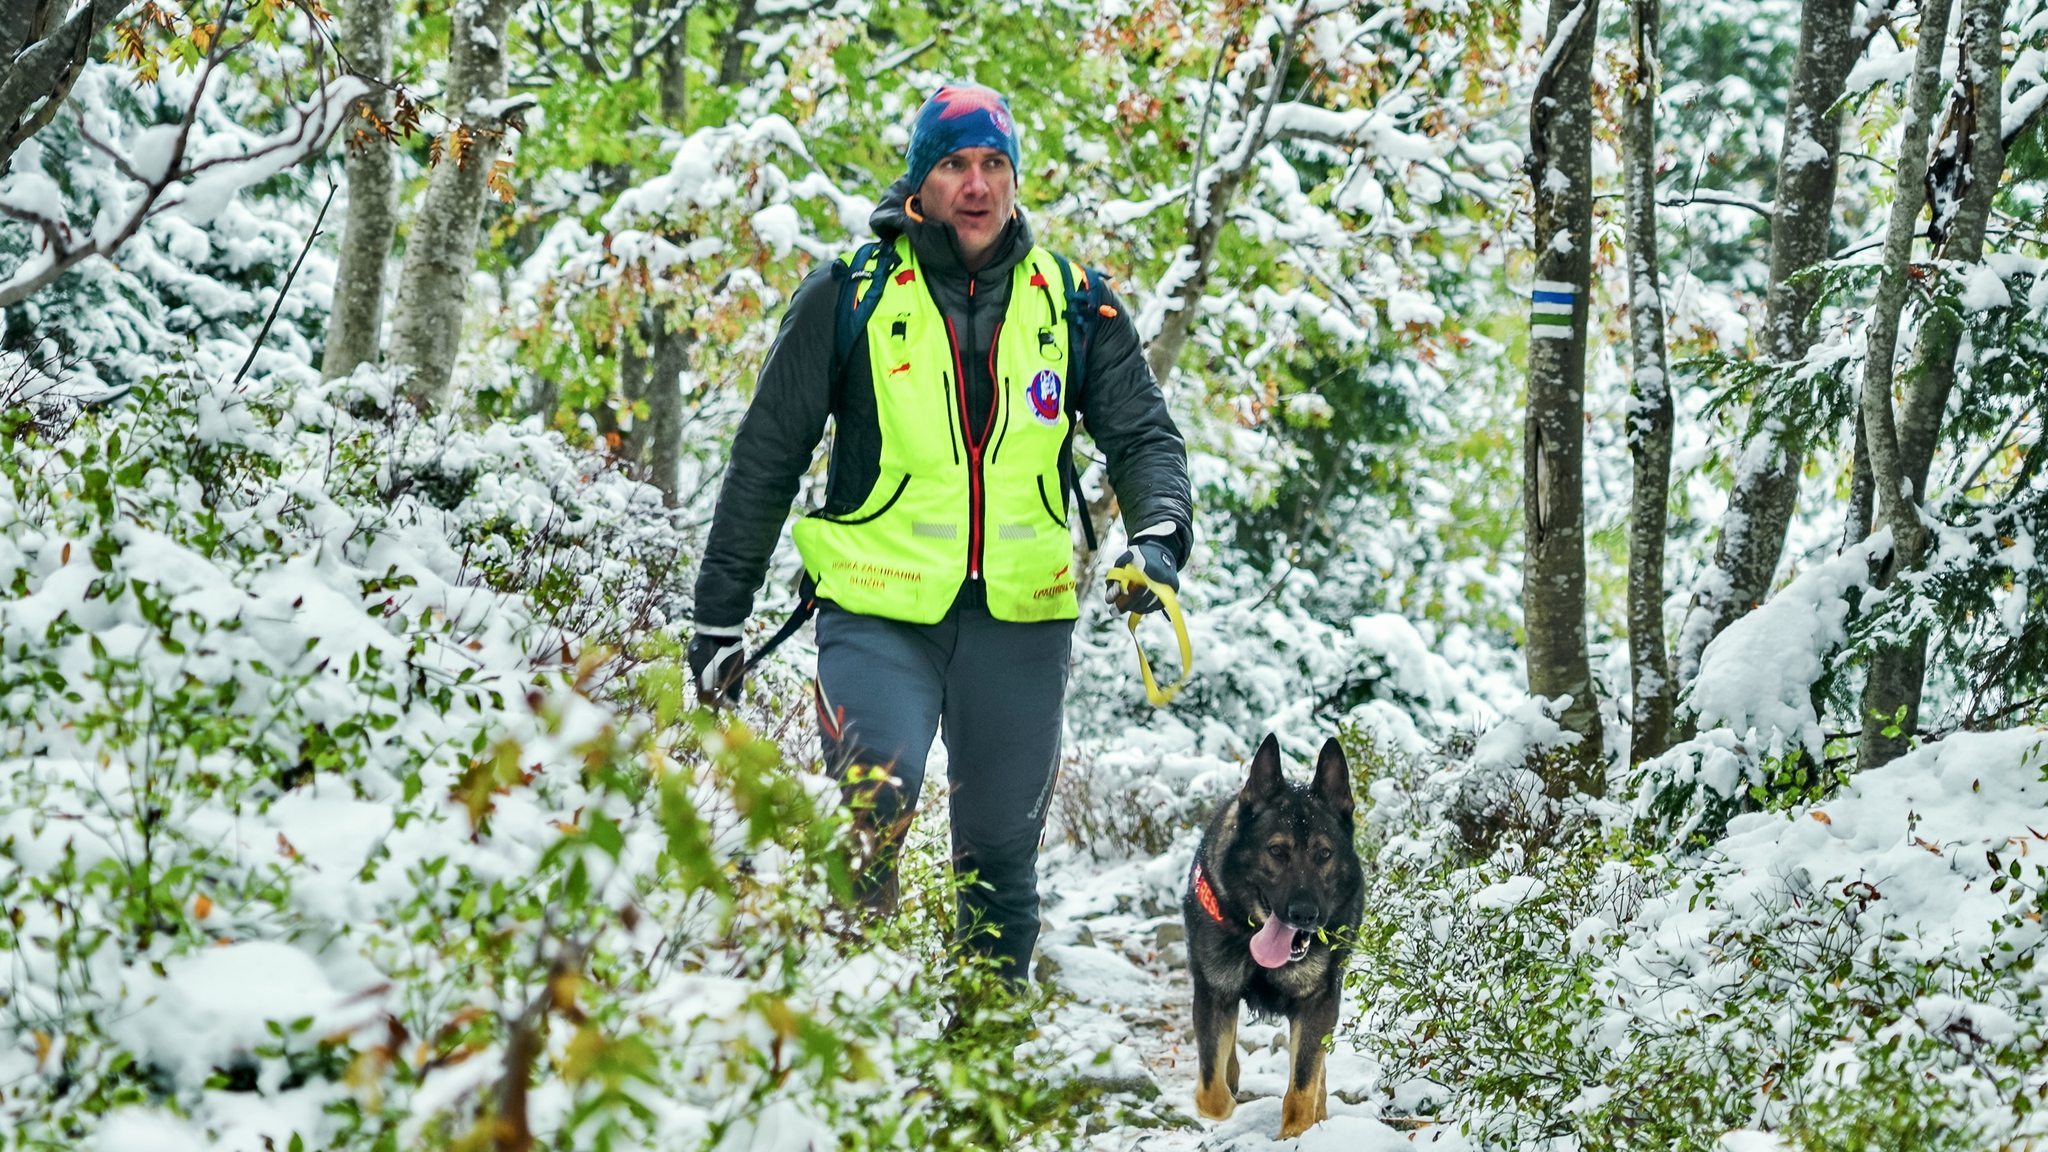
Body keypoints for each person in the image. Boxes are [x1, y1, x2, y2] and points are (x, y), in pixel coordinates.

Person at [686, 82, 1193, 984]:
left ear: (1013, 179)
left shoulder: (1074, 302)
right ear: (920, 181)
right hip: (878, 612)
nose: (976, 184)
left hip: (1021, 623)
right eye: (955, 164)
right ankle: (853, 1042)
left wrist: (1157, 538)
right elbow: (765, 457)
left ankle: (985, 1063)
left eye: (993, 164)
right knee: (870, 806)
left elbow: (1145, 436)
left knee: (999, 861)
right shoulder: (849, 293)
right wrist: (719, 619)